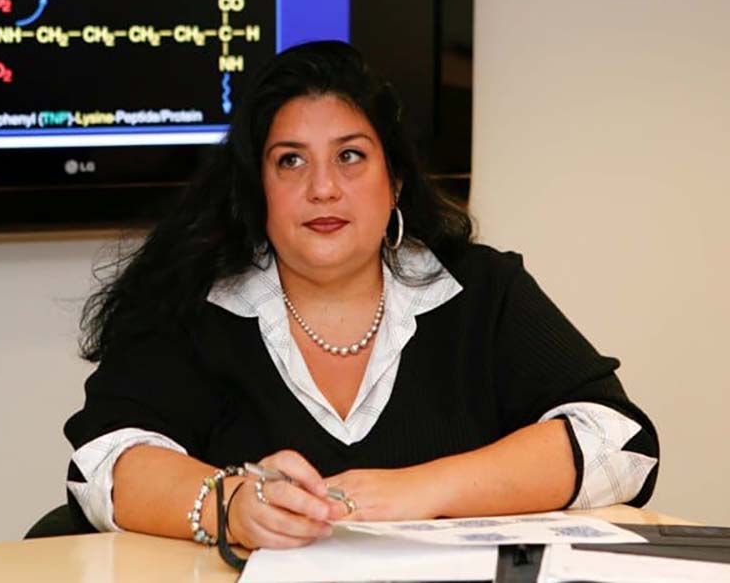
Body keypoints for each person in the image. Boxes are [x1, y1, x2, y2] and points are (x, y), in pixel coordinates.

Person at [63, 41, 659, 550]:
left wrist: (422, 489)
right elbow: (103, 464)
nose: (323, 188)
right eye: (290, 161)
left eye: (350, 156)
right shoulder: (196, 306)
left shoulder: (480, 290)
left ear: (394, 179)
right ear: (257, 189)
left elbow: (620, 443)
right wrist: (229, 504)